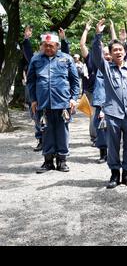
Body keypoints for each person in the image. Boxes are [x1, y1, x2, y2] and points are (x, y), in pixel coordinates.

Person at [92, 19, 127, 189]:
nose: (118, 52)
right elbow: (96, 56)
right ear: (111, 53)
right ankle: (114, 174)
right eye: (114, 50)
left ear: (125, 52)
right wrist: (98, 35)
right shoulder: (106, 68)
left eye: (120, 49)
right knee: (113, 146)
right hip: (113, 114)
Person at [27, 32, 80, 173]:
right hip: (43, 103)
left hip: (62, 103)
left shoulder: (67, 59)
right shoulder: (36, 59)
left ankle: (62, 161)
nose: (48, 48)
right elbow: (31, 81)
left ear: (57, 46)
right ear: (42, 46)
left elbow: (75, 81)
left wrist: (74, 98)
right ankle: (48, 161)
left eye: (51, 46)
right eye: (45, 45)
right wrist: (33, 100)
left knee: (62, 132)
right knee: (46, 132)